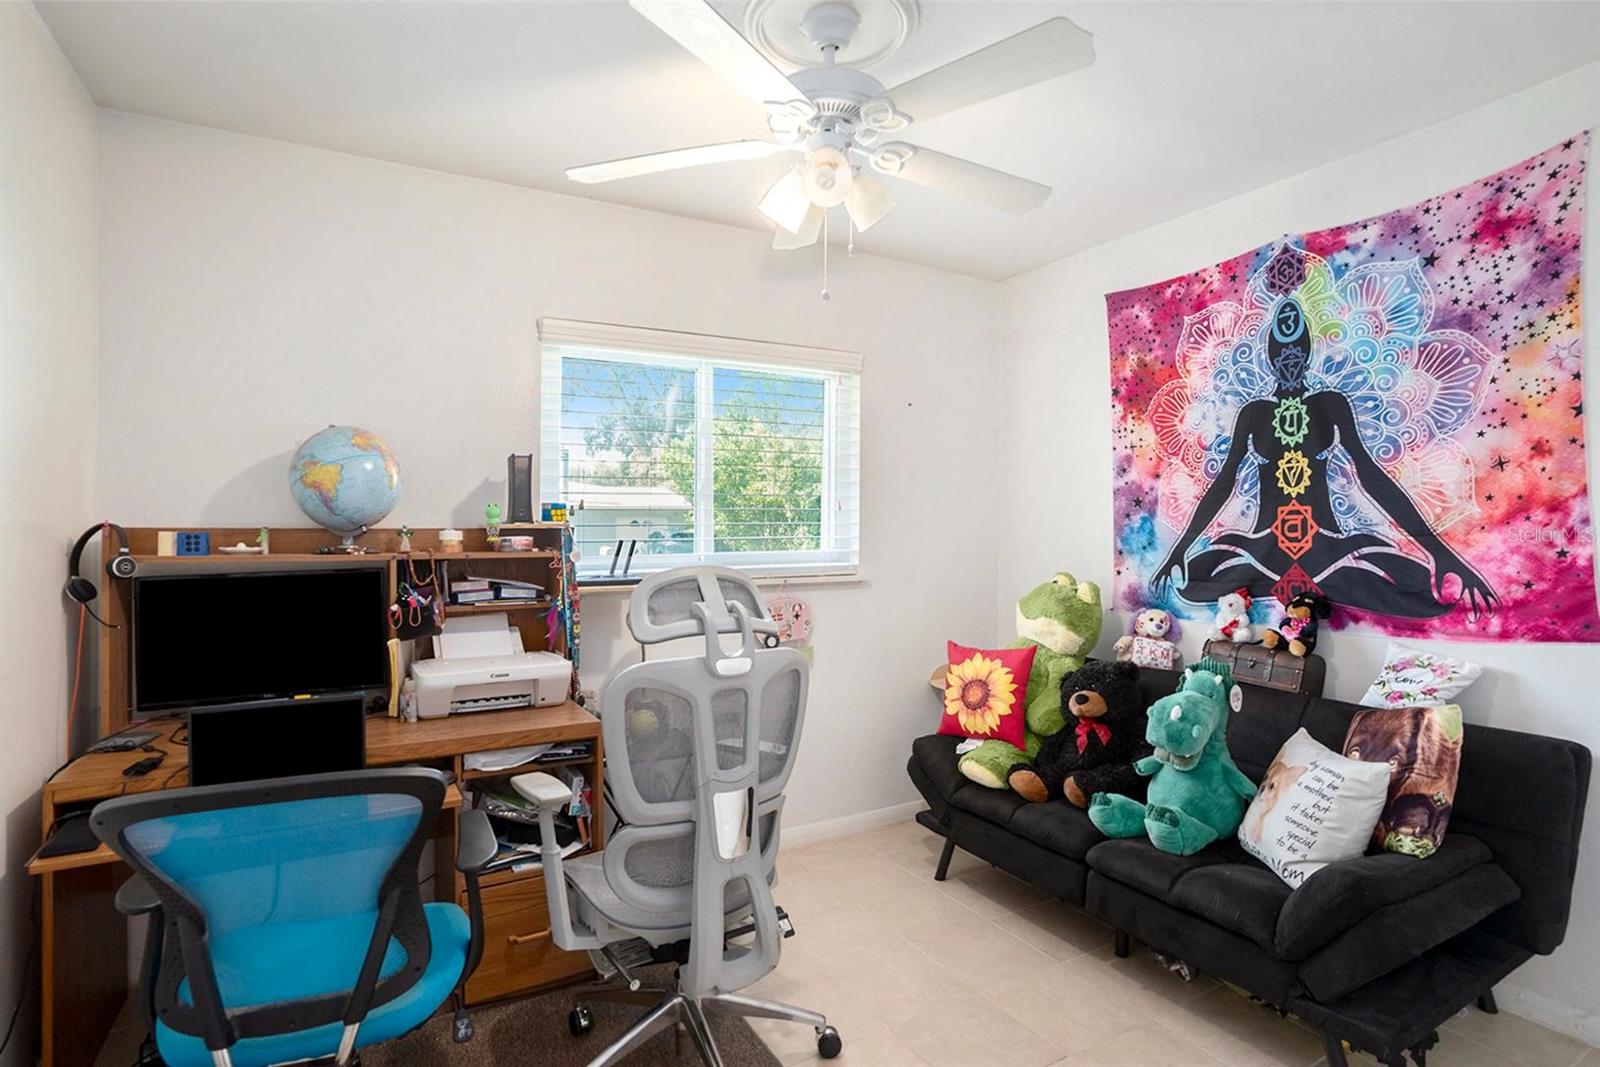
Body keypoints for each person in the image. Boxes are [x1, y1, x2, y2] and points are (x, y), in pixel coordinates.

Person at [1152, 295, 1497, 620]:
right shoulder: (1254, 413)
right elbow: (1224, 483)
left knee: (1410, 579)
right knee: (1196, 578)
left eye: (1296, 352)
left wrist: (1437, 551)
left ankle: (1308, 586)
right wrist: (1181, 549)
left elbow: (1371, 477)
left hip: (1327, 544)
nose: (1289, 361)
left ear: (1308, 353)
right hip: (1262, 547)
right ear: (1270, 358)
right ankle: (1309, 586)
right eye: (1282, 354)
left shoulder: (1330, 404)